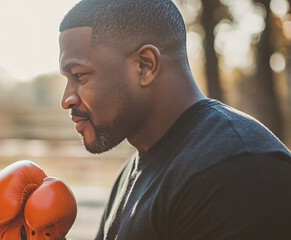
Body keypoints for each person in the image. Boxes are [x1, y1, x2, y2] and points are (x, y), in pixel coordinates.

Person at [58, 0, 291, 239]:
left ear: (144, 66)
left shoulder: (237, 168)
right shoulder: (131, 172)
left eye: (79, 75)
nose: (66, 99)